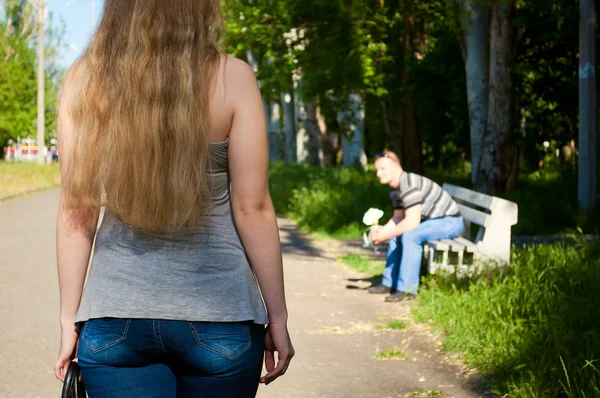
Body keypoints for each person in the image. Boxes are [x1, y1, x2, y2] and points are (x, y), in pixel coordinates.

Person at [53, 1, 294, 397]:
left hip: (114, 320)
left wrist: (68, 319)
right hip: (222, 322)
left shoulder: (84, 80)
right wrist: (278, 317)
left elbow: (76, 211)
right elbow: (253, 208)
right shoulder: (232, 78)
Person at [369, 151, 464, 302]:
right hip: (433, 222)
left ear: (396, 166)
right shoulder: (396, 188)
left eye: (382, 169)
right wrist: (383, 232)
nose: (378, 174)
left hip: (450, 222)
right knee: (396, 234)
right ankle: (389, 283)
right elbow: (398, 217)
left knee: (411, 235)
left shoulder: (408, 184)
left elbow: (412, 222)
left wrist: (386, 235)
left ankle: (407, 290)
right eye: (377, 170)